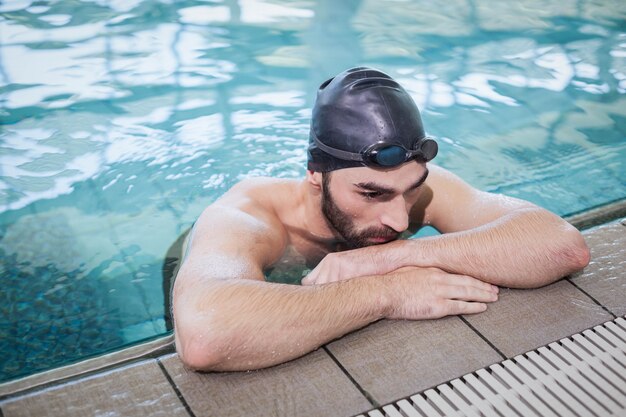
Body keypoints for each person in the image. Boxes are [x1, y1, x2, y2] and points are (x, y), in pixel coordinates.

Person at [172, 67, 590, 372]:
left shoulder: (415, 186)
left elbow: (562, 246)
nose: (397, 217)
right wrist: (390, 291)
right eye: (371, 194)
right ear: (316, 175)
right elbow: (206, 334)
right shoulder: (247, 214)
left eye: (411, 190)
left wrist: (380, 259)